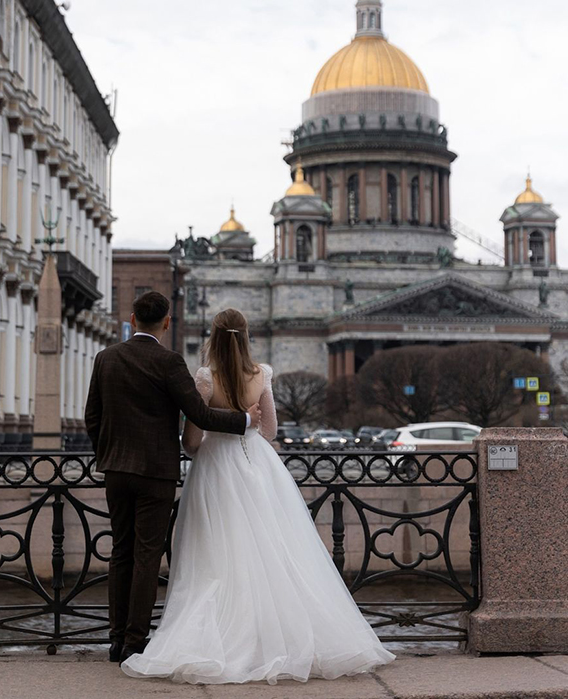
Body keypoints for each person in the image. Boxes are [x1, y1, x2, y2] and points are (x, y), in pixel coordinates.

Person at [122, 308, 395, 685]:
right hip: (258, 466)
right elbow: (268, 429)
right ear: (246, 335)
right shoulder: (261, 373)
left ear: (213, 338)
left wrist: (201, 445)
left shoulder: (205, 376)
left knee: (213, 554)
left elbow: (193, 439)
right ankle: (279, 637)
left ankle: (220, 636)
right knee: (274, 550)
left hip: (215, 467)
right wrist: (246, 425)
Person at [84, 291, 261, 665]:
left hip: (116, 470)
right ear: (166, 322)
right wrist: (245, 420)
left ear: (132, 319)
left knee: (121, 551)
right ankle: (134, 641)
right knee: (147, 554)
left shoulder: (106, 358)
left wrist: (108, 454)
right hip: (156, 473)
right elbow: (200, 414)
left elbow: (92, 418)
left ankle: (114, 639)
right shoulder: (169, 362)